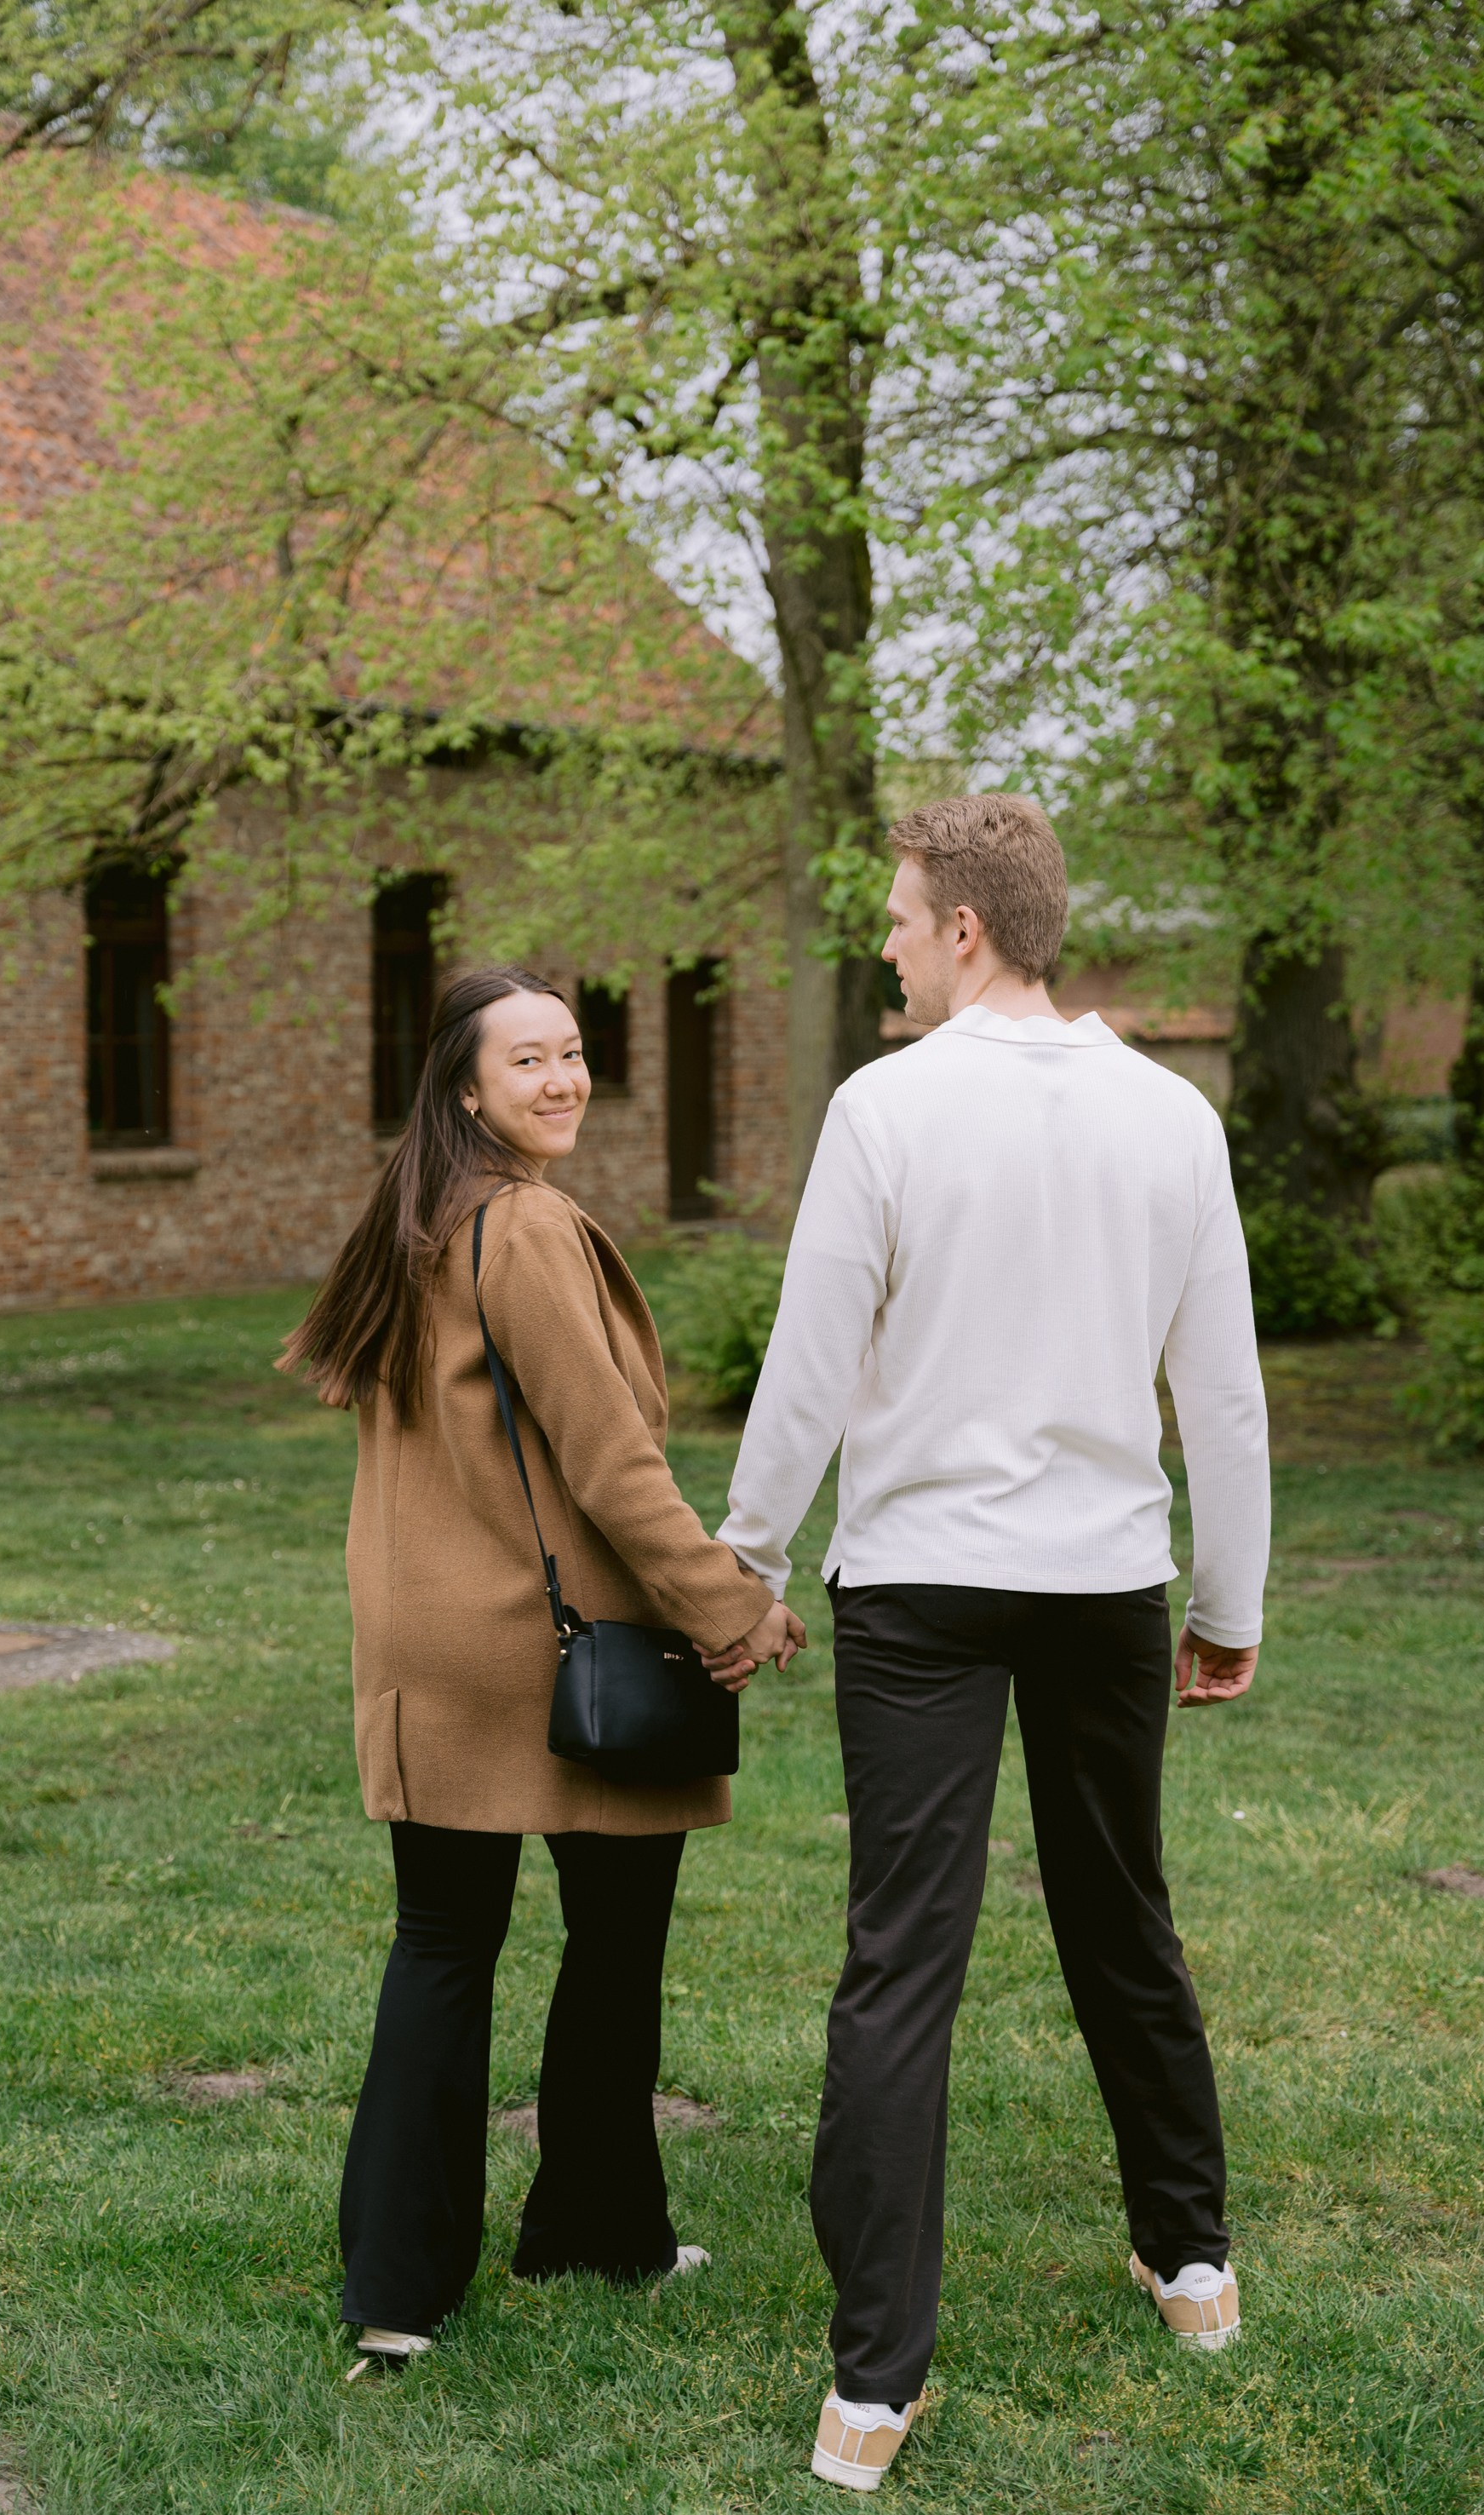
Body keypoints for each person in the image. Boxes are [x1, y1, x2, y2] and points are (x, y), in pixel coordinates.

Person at [708, 795, 1269, 2495]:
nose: (886, 946)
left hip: (919, 1589)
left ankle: (870, 2390)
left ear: (963, 926)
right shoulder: (1170, 1117)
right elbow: (1222, 1395)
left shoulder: (883, 1109)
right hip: (1100, 1586)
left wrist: (747, 1557)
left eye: (897, 918)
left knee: (902, 1958)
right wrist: (1225, 1603)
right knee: (1120, 1916)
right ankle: (1192, 2266)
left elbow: (809, 1362)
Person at [280, 961, 804, 2374]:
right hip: (559, 1647)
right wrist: (728, 1607)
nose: (562, 1078)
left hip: (430, 1642)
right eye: (527, 1060)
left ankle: (404, 2283)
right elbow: (609, 1458)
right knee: (612, 1939)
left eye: (571, 1051)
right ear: (464, 1088)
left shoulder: (418, 1218)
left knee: (443, 1945)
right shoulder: (519, 1225)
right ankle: (592, 2224)